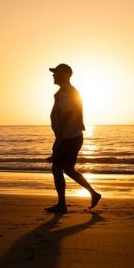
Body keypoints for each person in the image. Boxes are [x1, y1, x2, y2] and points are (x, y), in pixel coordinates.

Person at [45, 63, 101, 214]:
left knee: (57, 169)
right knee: (68, 170)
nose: (53, 75)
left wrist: (59, 143)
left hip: (69, 137)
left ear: (64, 75)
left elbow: (68, 116)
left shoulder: (67, 93)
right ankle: (94, 194)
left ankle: (62, 205)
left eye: (56, 73)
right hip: (69, 137)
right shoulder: (63, 92)